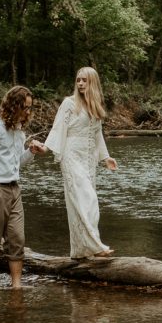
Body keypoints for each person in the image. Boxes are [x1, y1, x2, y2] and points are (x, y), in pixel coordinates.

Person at [41, 66, 118, 259]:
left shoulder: (95, 105)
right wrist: (46, 148)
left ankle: (79, 251)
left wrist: (105, 157)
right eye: (78, 80)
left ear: (93, 82)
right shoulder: (69, 103)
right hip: (71, 155)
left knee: (84, 202)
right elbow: (58, 128)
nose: (81, 83)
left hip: (88, 159)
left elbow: (97, 134)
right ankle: (96, 246)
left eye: (84, 80)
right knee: (86, 199)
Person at [0, 85, 44, 288]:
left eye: (30, 108)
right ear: (13, 106)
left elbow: (15, 163)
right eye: (25, 107)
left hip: (14, 190)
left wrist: (30, 151)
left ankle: (17, 287)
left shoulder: (19, 131)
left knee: (17, 238)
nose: (28, 112)